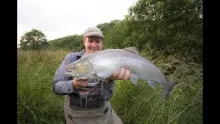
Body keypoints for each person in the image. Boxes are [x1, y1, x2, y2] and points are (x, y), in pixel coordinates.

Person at [53, 27, 131, 124]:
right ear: (84, 41)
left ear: (102, 44)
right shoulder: (72, 59)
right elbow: (56, 87)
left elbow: (106, 97)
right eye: (90, 41)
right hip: (76, 113)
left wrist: (108, 81)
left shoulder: (108, 61)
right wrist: (74, 85)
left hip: (102, 111)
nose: (94, 45)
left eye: (97, 41)